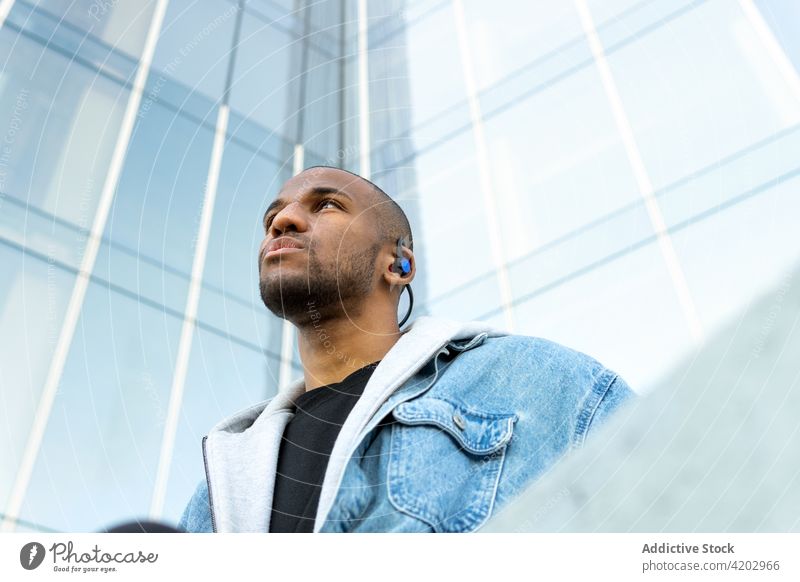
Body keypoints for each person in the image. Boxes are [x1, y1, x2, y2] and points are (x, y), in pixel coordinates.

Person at [179, 166, 635, 533]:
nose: (283, 221)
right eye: (271, 219)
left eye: (327, 205)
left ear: (398, 264)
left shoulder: (537, 382)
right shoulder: (218, 485)